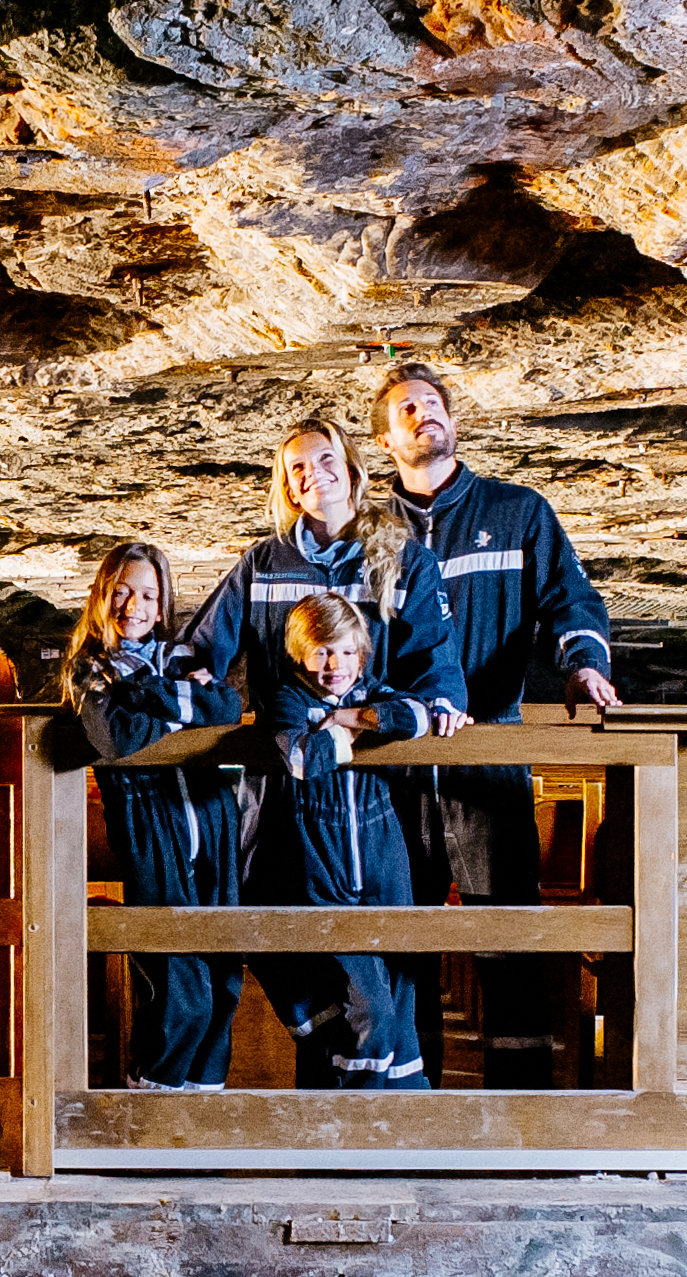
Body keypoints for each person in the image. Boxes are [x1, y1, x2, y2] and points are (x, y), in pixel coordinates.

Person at [183, 420, 463, 1084]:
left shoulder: (400, 556)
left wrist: (389, 713)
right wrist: (184, 681)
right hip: (288, 792)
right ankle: (326, 1113)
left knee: (385, 968)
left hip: (377, 796)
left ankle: (391, 1110)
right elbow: (202, 648)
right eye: (297, 467)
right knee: (305, 950)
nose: (314, 474)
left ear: (354, 468)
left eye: (326, 458)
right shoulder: (262, 564)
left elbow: (436, 668)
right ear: (286, 486)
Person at [368, 361, 617, 1087]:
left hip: (491, 756)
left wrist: (583, 664)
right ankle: (408, 1101)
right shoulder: (368, 531)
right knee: (400, 938)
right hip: (397, 761)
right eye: (406, 409)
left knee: (508, 936)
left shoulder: (517, 512)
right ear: (385, 441)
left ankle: (520, 1108)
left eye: (432, 403)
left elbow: (570, 599)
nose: (424, 414)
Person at [59, 544, 245, 1091]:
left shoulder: (178, 657)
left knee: (222, 971)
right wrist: (184, 713)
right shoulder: (89, 667)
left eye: (147, 595)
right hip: (149, 820)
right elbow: (117, 738)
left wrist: (146, 695)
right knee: (178, 982)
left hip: (211, 813)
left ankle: (203, 1101)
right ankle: (153, 1097)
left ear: (162, 604)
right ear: (101, 596)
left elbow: (228, 709)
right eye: (120, 592)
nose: (132, 606)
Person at [256, 597, 428, 1090]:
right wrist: (346, 735)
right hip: (322, 859)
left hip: (382, 855)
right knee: (368, 1003)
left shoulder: (370, 693)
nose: (336, 665)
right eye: (322, 652)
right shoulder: (289, 699)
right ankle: (358, 1112)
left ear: (363, 654)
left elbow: (417, 714)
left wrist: (350, 719)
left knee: (400, 989)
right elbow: (300, 759)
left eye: (348, 652)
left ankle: (404, 1109)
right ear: (299, 653)